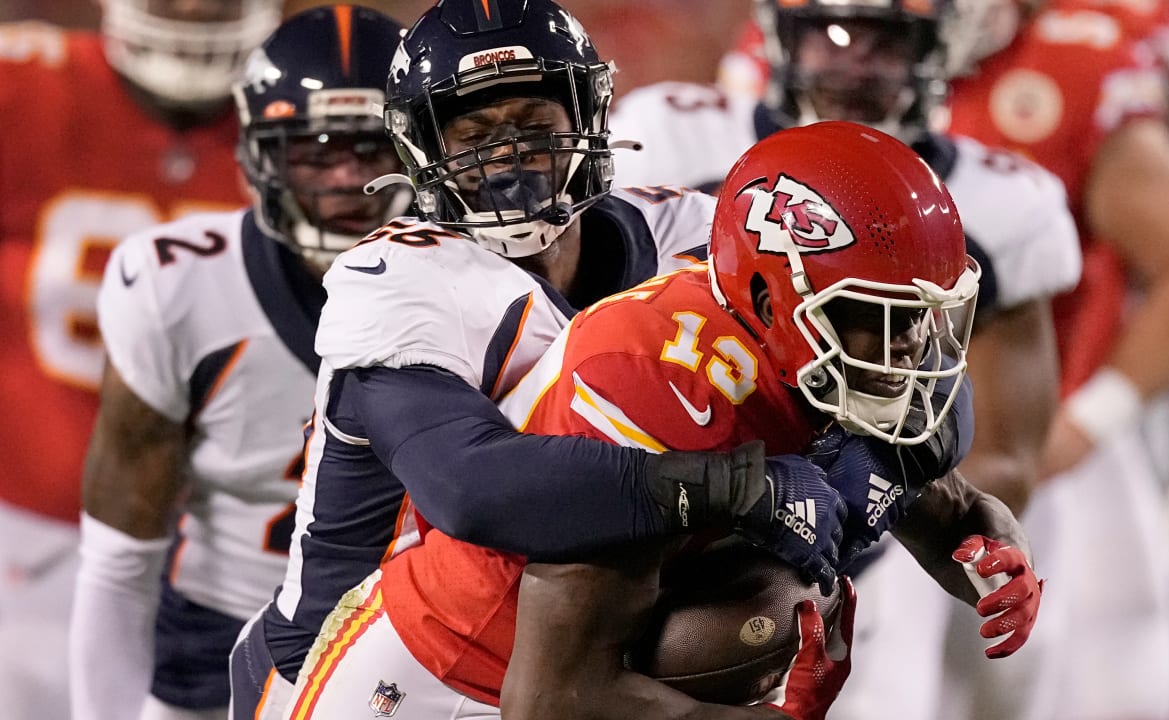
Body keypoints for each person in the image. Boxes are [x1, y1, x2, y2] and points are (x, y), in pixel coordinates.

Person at [228, 2, 873, 716]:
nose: (505, 156)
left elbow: (869, 332)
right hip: (369, 668)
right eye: (471, 133)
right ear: (422, 146)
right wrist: (742, 489)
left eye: (533, 128)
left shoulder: (682, 228)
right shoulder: (397, 276)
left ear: (587, 117)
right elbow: (475, 488)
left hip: (555, 648)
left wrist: (870, 471)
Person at [280, 122, 1043, 720]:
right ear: (773, 303)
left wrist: (989, 552)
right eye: (882, 319)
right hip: (440, 676)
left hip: (592, 677)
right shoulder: (656, 386)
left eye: (923, 315)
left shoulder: (837, 346)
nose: (912, 349)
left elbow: (933, 498)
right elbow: (553, 704)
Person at [605, 1, 1082, 717]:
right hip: (662, 508)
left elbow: (1003, 453)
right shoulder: (672, 135)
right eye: (828, 32)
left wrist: (853, 502)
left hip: (861, 569)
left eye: (885, 39)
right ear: (775, 33)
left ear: (939, 45)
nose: (853, 60)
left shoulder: (992, 201)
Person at [67, 7, 408, 720]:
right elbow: (120, 561)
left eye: (374, 149)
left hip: (416, 649)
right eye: (315, 151)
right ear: (260, 154)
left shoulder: (494, 281)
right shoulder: (177, 284)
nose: (349, 179)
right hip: (216, 645)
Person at [943, 0, 1169, 718]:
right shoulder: (799, 48)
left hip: (1039, 448)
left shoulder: (1084, 49)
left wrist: (1106, 426)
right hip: (859, 459)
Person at [0, 1, 280, 717]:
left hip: (214, 553)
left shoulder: (308, 121)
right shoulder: (23, 86)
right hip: (23, 528)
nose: (191, 8)